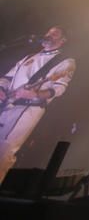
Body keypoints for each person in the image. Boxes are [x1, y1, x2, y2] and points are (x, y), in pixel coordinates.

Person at [0, 26, 76, 183]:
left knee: (5, 150)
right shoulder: (30, 56)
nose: (48, 35)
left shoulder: (65, 61)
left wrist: (35, 94)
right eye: (48, 32)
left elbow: (59, 88)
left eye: (54, 34)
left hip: (27, 109)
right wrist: (1, 88)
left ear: (62, 41)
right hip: (6, 104)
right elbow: (8, 77)